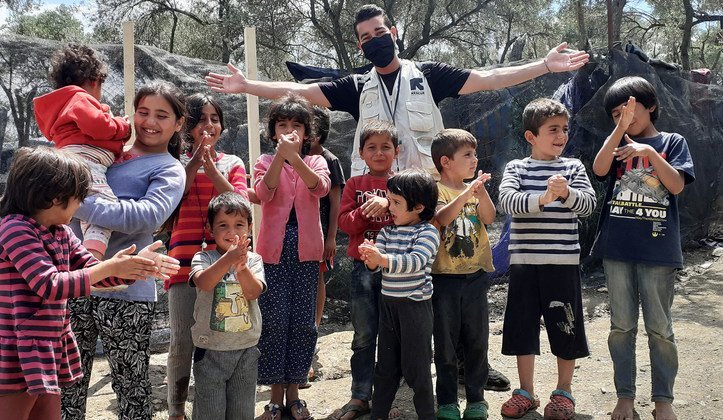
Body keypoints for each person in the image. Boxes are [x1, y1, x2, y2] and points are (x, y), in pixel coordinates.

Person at [205, 4, 589, 177]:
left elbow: (489, 79)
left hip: (426, 187)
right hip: (373, 192)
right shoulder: (355, 87)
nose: (374, 40)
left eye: (379, 33)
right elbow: (298, 91)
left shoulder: (429, 75)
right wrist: (246, 86)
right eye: (365, 37)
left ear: (393, 33)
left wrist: (544, 65)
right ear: (359, 46)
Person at [0, 147, 171, 420]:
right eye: (78, 199)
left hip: (47, 349)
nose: (80, 207)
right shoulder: (14, 229)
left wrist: (132, 267)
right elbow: (50, 285)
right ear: (54, 197)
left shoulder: (60, 233)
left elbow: (92, 272)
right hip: (15, 352)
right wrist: (110, 266)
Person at [61, 81, 188, 420]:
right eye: (143, 112)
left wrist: (71, 204)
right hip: (75, 280)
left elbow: (146, 215)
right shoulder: (105, 149)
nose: (150, 121)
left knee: (130, 388)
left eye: (162, 115)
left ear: (178, 124)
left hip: (127, 288)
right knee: (66, 385)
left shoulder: (169, 168)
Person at [591, 77, 694, 420]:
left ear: (650, 106)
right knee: (621, 326)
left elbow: (677, 186)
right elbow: (600, 168)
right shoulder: (616, 144)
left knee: (659, 328)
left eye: (631, 109)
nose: (625, 115)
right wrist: (619, 131)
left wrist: (648, 152)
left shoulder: (672, 142)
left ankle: (663, 400)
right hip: (617, 248)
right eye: (617, 112)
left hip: (658, 251)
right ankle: (625, 396)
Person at [497, 98, 596, 419]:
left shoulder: (573, 168)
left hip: (563, 264)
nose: (561, 135)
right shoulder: (517, 168)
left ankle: (564, 392)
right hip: (525, 265)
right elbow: (507, 202)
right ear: (531, 136)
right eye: (552, 129)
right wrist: (544, 197)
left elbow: (588, 205)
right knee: (522, 327)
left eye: (564, 129)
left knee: (565, 325)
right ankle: (526, 392)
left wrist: (566, 193)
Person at [164, 93, 249, 420]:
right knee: (181, 342)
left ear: (222, 126)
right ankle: (175, 410)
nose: (208, 125)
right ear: (187, 127)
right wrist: (194, 164)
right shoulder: (174, 166)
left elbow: (238, 203)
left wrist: (211, 166)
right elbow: (169, 203)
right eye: (201, 119)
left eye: (214, 118)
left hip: (226, 266)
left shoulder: (233, 163)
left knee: (221, 340)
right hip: (182, 263)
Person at [253, 94, 330, 420]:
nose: (289, 131)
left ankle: (295, 394)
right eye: (282, 126)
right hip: (272, 253)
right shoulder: (261, 162)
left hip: (307, 253)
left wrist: (294, 158)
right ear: (273, 133)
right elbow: (262, 193)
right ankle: (274, 397)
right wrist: (278, 159)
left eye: (296, 126)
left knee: (302, 323)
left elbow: (320, 188)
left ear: (306, 133)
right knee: (274, 322)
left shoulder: (315, 162)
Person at [33, 44, 131, 261]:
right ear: (94, 81)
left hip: (72, 160)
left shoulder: (63, 105)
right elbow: (97, 126)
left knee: (81, 212)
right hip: (86, 161)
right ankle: (94, 264)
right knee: (105, 207)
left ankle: (71, 259)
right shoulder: (78, 98)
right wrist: (122, 126)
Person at [358, 169, 440, 420]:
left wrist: (381, 258)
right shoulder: (387, 232)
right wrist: (370, 258)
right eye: (388, 200)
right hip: (389, 307)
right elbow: (375, 266)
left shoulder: (427, 232)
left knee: (418, 370)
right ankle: (378, 415)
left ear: (417, 207)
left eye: (396, 202)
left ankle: (427, 415)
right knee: (385, 368)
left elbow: (415, 261)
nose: (389, 208)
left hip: (415, 309)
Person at [331, 120, 399, 420]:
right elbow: (345, 224)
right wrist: (363, 211)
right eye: (372, 147)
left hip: (397, 269)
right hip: (361, 269)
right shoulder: (354, 185)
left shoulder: (404, 183)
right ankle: (360, 395)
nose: (379, 152)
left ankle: (390, 395)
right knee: (363, 333)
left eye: (386, 147)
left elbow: (415, 217)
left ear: (397, 151)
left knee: (393, 333)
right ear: (361, 153)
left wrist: (389, 204)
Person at [429, 129, 495, 420]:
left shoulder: (475, 188)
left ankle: (476, 399)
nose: (474, 160)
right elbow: (442, 218)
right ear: (446, 161)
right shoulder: (435, 189)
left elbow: (489, 218)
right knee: (445, 343)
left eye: (475, 154)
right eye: (467, 155)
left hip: (476, 277)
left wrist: (481, 194)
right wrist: (469, 192)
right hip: (444, 278)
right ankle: (446, 401)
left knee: (477, 340)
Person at [189, 192, 266, 420]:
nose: (232, 232)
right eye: (223, 225)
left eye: (239, 225)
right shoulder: (203, 257)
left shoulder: (254, 260)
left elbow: (253, 292)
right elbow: (204, 282)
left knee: (242, 411)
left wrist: (241, 268)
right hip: (210, 349)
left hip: (246, 349)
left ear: (249, 228)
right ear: (211, 230)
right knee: (209, 411)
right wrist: (229, 259)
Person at [308, 106, 345, 347]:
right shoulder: (294, 156)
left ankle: (314, 329)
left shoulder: (329, 160)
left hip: (320, 231)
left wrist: (331, 237)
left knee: (317, 277)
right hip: (297, 230)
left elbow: (335, 203)